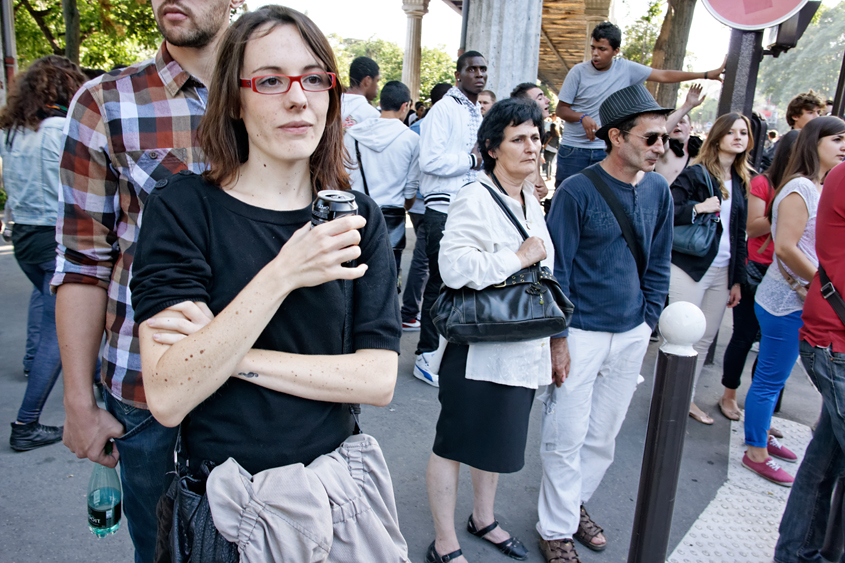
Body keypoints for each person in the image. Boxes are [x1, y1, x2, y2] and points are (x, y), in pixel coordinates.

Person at [131, 5, 402, 555]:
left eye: (314, 78)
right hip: (225, 507)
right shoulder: (183, 210)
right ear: (235, 97)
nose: (298, 97)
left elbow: (377, 378)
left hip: (334, 496)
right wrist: (284, 273)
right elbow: (167, 393)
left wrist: (229, 354)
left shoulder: (358, 217)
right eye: (272, 80)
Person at [52, 0, 244, 560]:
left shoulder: (281, 89)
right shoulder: (106, 102)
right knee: (164, 551)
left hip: (267, 379)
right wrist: (77, 403)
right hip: (146, 390)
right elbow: (84, 262)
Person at [538, 84, 674, 562]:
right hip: (580, 333)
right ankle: (554, 528)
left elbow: (659, 260)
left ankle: (573, 507)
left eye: (665, 139)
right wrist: (558, 339)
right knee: (566, 435)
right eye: (653, 138)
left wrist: (648, 318)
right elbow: (556, 272)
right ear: (617, 137)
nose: (662, 147)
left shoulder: (659, 189)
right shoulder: (576, 191)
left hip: (632, 332)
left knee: (602, 437)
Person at [424, 98, 550, 563]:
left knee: (494, 441)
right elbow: (453, 266)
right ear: (492, 148)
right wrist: (517, 258)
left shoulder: (530, 199)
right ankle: (444, 541)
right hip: (477, 346)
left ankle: (483, 518)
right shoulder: (473, 196)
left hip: (519, 347)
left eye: (536, 137)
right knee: (454, 443)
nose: (531, 146)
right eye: (518, 138)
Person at [743, 116, 845, 486]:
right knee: (770, 378)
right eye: (836, 139)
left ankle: (762, 434)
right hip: (784, 301)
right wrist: (825, 285)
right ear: (815, 142)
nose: (843, 145)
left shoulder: (816, 185)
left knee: (776, 376)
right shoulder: (801, 186)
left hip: (797, 299)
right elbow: (785, 246)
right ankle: (755, 450)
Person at [0, 56, 86, 451]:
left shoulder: (13, 132)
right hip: (55, 235)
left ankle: (36, 363)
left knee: (45, 301)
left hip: (23, 238)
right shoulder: (61, 130)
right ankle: (27, 423)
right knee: (62, 324)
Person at [774, 157, 845, 562]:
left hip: (830, 336)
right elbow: (784, 245)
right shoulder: (812, 183)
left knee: (824, 464)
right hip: (834, 340)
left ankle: (797, 554)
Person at [553, 21, 726, 187]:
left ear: (616, 51)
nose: (595, 53)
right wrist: (582, 117)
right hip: (573, 150)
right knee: (565, 198)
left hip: (605, 150)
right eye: (593, 48)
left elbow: (664, 75)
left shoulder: (626, 69)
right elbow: (561, 109)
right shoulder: (578, 72)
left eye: (602, 49)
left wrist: (707, 74)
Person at [668, 112, 752, 425]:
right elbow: (669, 210)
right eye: (731, 132)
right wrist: (699, 208)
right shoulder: (696, 174)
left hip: (723, 269)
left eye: (743, 132)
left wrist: (737, 280)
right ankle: (670, 399)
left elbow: (739, 231)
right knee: (681, 334)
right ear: (717, 137)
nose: (738, 137)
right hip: (691, 265)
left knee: (704, 338)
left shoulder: (742, 179)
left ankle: (685, 399)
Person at [413, 50, 487, 388]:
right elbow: (430, 160)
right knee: (441, 284)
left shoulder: (475, 110)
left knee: (463, 283)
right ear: (459, 75)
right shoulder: (444, 109)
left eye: (483, 69)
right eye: (472, 69)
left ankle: (444, 353)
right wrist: (472, 160)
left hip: (468, 208)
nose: (479, 74)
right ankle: (426, 356)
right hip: (442, 210)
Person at [718, 130, 799, 421]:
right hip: (757, 269)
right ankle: (729, 394)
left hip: (791, 274)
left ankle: (761, 411)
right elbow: (752, 229)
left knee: (774, 347)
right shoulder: (763, 182)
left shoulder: (812, 187)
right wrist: (785, 211)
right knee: (743, 336)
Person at [344, 80, 420, 281]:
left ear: (381, 102)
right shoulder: (411, 140)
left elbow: (344, 178)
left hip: (356, 217)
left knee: (353, 276)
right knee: (387, 282)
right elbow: (410, 191)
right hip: (391, 221)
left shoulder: (352, 135)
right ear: (405, 106)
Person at [402, 82, 452, 332]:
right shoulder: (445, 126)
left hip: (416, 202)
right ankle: (410, 312)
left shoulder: (416, 127)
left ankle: (411, 311)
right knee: (425, 262)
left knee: (423, 260)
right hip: (432, 203)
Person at [654, 84, 705, 185]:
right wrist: (688, 105)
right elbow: (661, 130)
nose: (677, 125)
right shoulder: (663, 149)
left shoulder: (702, 152)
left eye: (682, 122)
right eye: (675, 122)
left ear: (691, 129)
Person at [510, 82, 551, 202]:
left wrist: (539, 180)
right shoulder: (515, 132)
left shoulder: (537, 129)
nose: (547, 100)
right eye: (540, 97)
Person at [341, 56, 380, 131]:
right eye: (377, 81)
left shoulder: (330, 105)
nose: (377, 87)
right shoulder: (373, 116)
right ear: (367, 81)